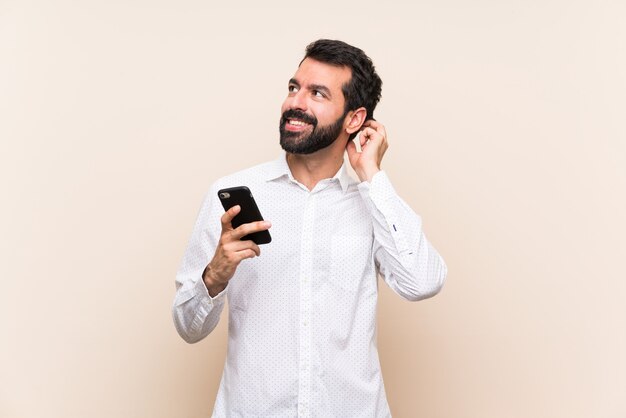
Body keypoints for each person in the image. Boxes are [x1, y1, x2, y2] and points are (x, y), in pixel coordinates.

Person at [172, 39, 447, 417]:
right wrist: (214, 276)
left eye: (317, 93)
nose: (295, 103)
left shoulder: (372, 203)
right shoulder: (233, 194)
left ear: (354, 119)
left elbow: (423, 282)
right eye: (293, 88)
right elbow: (188, 327)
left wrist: (371, 175)